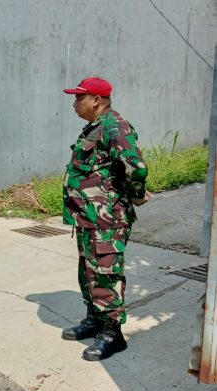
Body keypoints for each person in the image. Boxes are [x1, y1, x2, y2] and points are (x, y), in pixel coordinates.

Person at [61, 77, 150, 361]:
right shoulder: (95, 128)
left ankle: (112, 333)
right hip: (89, 218)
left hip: (107, 220)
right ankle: (95, 320)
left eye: (79, 98)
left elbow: (136, 168)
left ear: (96, 100)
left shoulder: (114, 126)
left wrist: (135, 196)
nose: (75, 103)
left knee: (106, 274)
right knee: (88, 273)